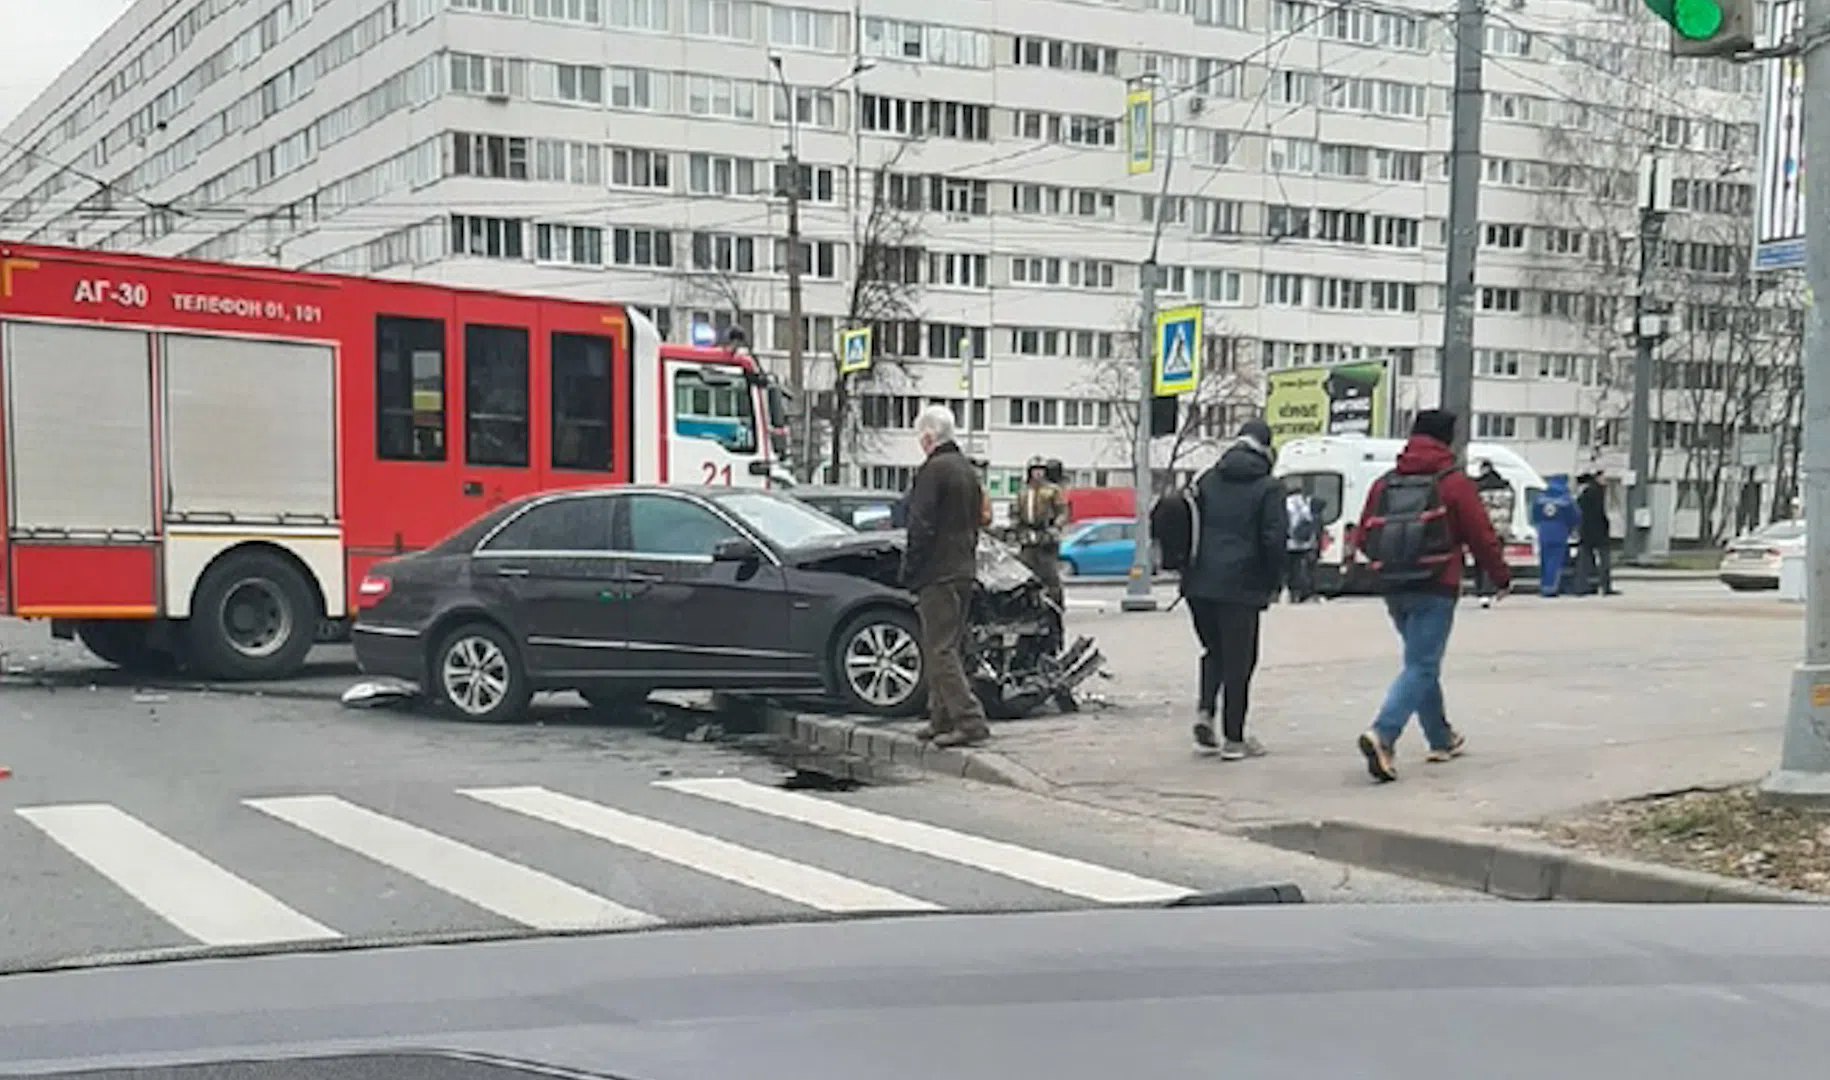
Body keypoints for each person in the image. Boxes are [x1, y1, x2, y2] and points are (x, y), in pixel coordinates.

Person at [1351, 409, 1510, 784]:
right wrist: (1499, 576)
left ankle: (1440, 737)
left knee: (1419, 662)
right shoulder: (1453, 483)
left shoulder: (1385, 482)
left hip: (1394, 585)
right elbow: (1481, 535)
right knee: (1422, 665)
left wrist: (1385, 566)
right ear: (1449, 441)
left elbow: (1362, 536)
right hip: (1436, 583)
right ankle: (1383, 734)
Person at [1180, 419, 1286, 760]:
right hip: (1241, 586)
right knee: (1240, 661)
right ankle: (1234, 740)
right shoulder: (1269, 487)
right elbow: (1274, 539)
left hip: (1198, 583)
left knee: (1214, 651)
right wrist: (1274, 581)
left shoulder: (1207, 478)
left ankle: (1205, 714)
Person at [901, 404, 991, 748]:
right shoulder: (966, 471)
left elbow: (920, 525)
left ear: (927, 437)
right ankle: (940, 718)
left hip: (937, 572)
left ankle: (969, 720)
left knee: (939, 650)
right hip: (963, 569)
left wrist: (910, 570)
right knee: (947, 646)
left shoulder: (932, 471)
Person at [1011, 456, 1068, 613]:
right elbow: (1015, 512)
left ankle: (1056, 605)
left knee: (1049, 573)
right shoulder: (1023, 491)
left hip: (1046, 534)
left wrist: (1055, 528)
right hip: (1027, 534)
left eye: (1041, 471)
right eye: (1035, 471)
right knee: (1025, 573)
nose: (1038, 474)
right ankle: (1028, 606)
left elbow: (1062, 512)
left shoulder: (1052, 490)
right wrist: (1016, 528)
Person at [1472, 460, 1515, 609]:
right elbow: (1511, 508)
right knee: (1494, 559)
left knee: (1480, 561)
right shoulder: (1506, 486)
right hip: (1501, 528)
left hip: (1481, 528)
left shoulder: (1477, 487)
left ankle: (1482, 592)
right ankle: (1490, 590)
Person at [1530, 475, 1582, 598]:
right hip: (1559, 532)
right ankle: (1551, 588)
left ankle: (1544, 586)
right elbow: (1575, 516)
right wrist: (1572, 528)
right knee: (1555, 561)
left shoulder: (1540, 498)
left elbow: (1534, 514)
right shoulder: (1566, 499)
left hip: (1543, 531)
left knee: (1544, 560)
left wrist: (1539, 525)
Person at [1574, 471, 1616, 596]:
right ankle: (1605, 586)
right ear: (1597, 478)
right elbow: (1599, 513)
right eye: (1604, 478)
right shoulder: (1597, 492)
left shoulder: (1585, 493)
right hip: (1598, 532)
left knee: (1584, 562)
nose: (1606, 480)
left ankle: (1581, 587)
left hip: (1586, 531)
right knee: (1604, 561)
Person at [1283, 485, 1318, 603]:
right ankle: (1303, 592)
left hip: (1290, 543)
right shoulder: (1305, 505)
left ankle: (1292, 592)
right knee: (1302, 568)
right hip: (1304, 543)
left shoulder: (1286, 504)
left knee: (1290, 570)